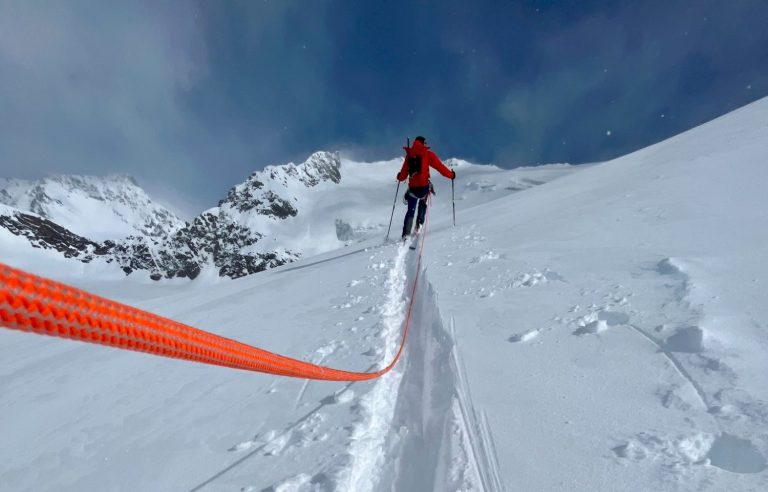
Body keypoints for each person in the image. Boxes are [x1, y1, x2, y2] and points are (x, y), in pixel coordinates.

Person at [396, 136, 455, 239]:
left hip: (412, 189)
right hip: (423, 188)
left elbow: (403, 176)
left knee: (410, 211)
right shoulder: (427, 154)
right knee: (423, 203)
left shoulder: (409, 155)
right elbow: (440, 167)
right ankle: (419, 225)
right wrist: (451, 175)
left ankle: (406, 234)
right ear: (423, 143)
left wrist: (399, 176)